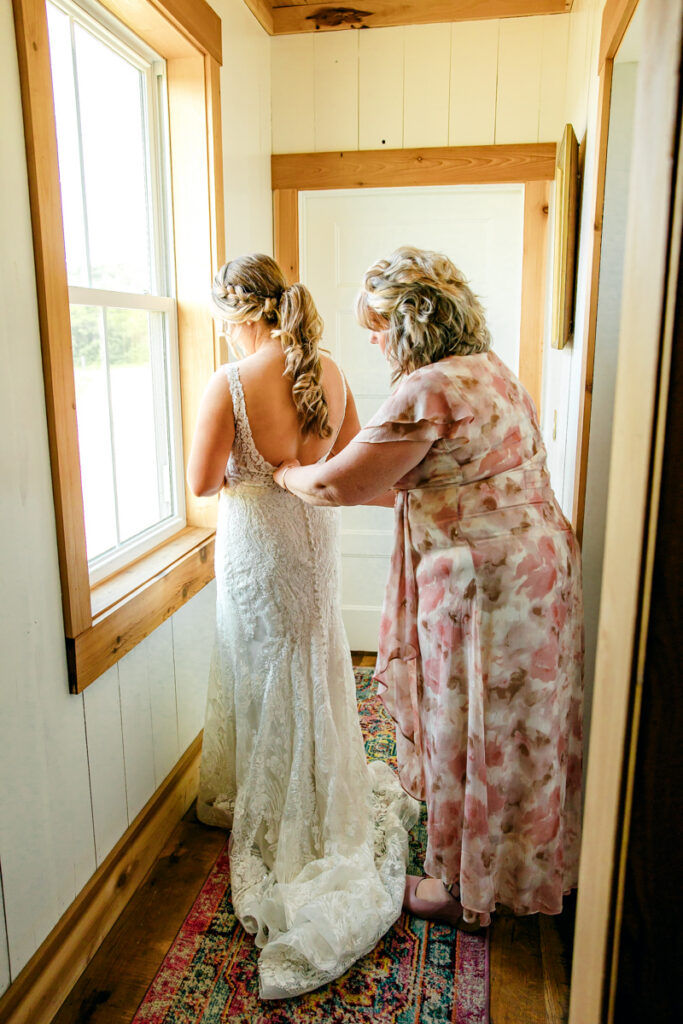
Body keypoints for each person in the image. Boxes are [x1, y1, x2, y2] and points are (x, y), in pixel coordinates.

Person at [274, 246, 584, 931]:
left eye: (377, 326)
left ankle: (458, 887)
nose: (375, 342)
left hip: (485, 585)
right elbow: (434, 479)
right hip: (540, 568)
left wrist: (287, 475)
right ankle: (531, 866)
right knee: (523, 725)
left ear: (410, 319)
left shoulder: (429, 388)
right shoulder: (493, 372)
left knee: (468, 724)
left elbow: (337, 484)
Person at [187, 253, 418, 1000]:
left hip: (257, 543)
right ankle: (320, 792)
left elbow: (198, 481)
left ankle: (270, 799)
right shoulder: (333, 371)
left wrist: (248, 466)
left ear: (233, 313)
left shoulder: (228, 385)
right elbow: (351, 469)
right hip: (312, 544)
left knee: (260, 662)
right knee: (313, 656)